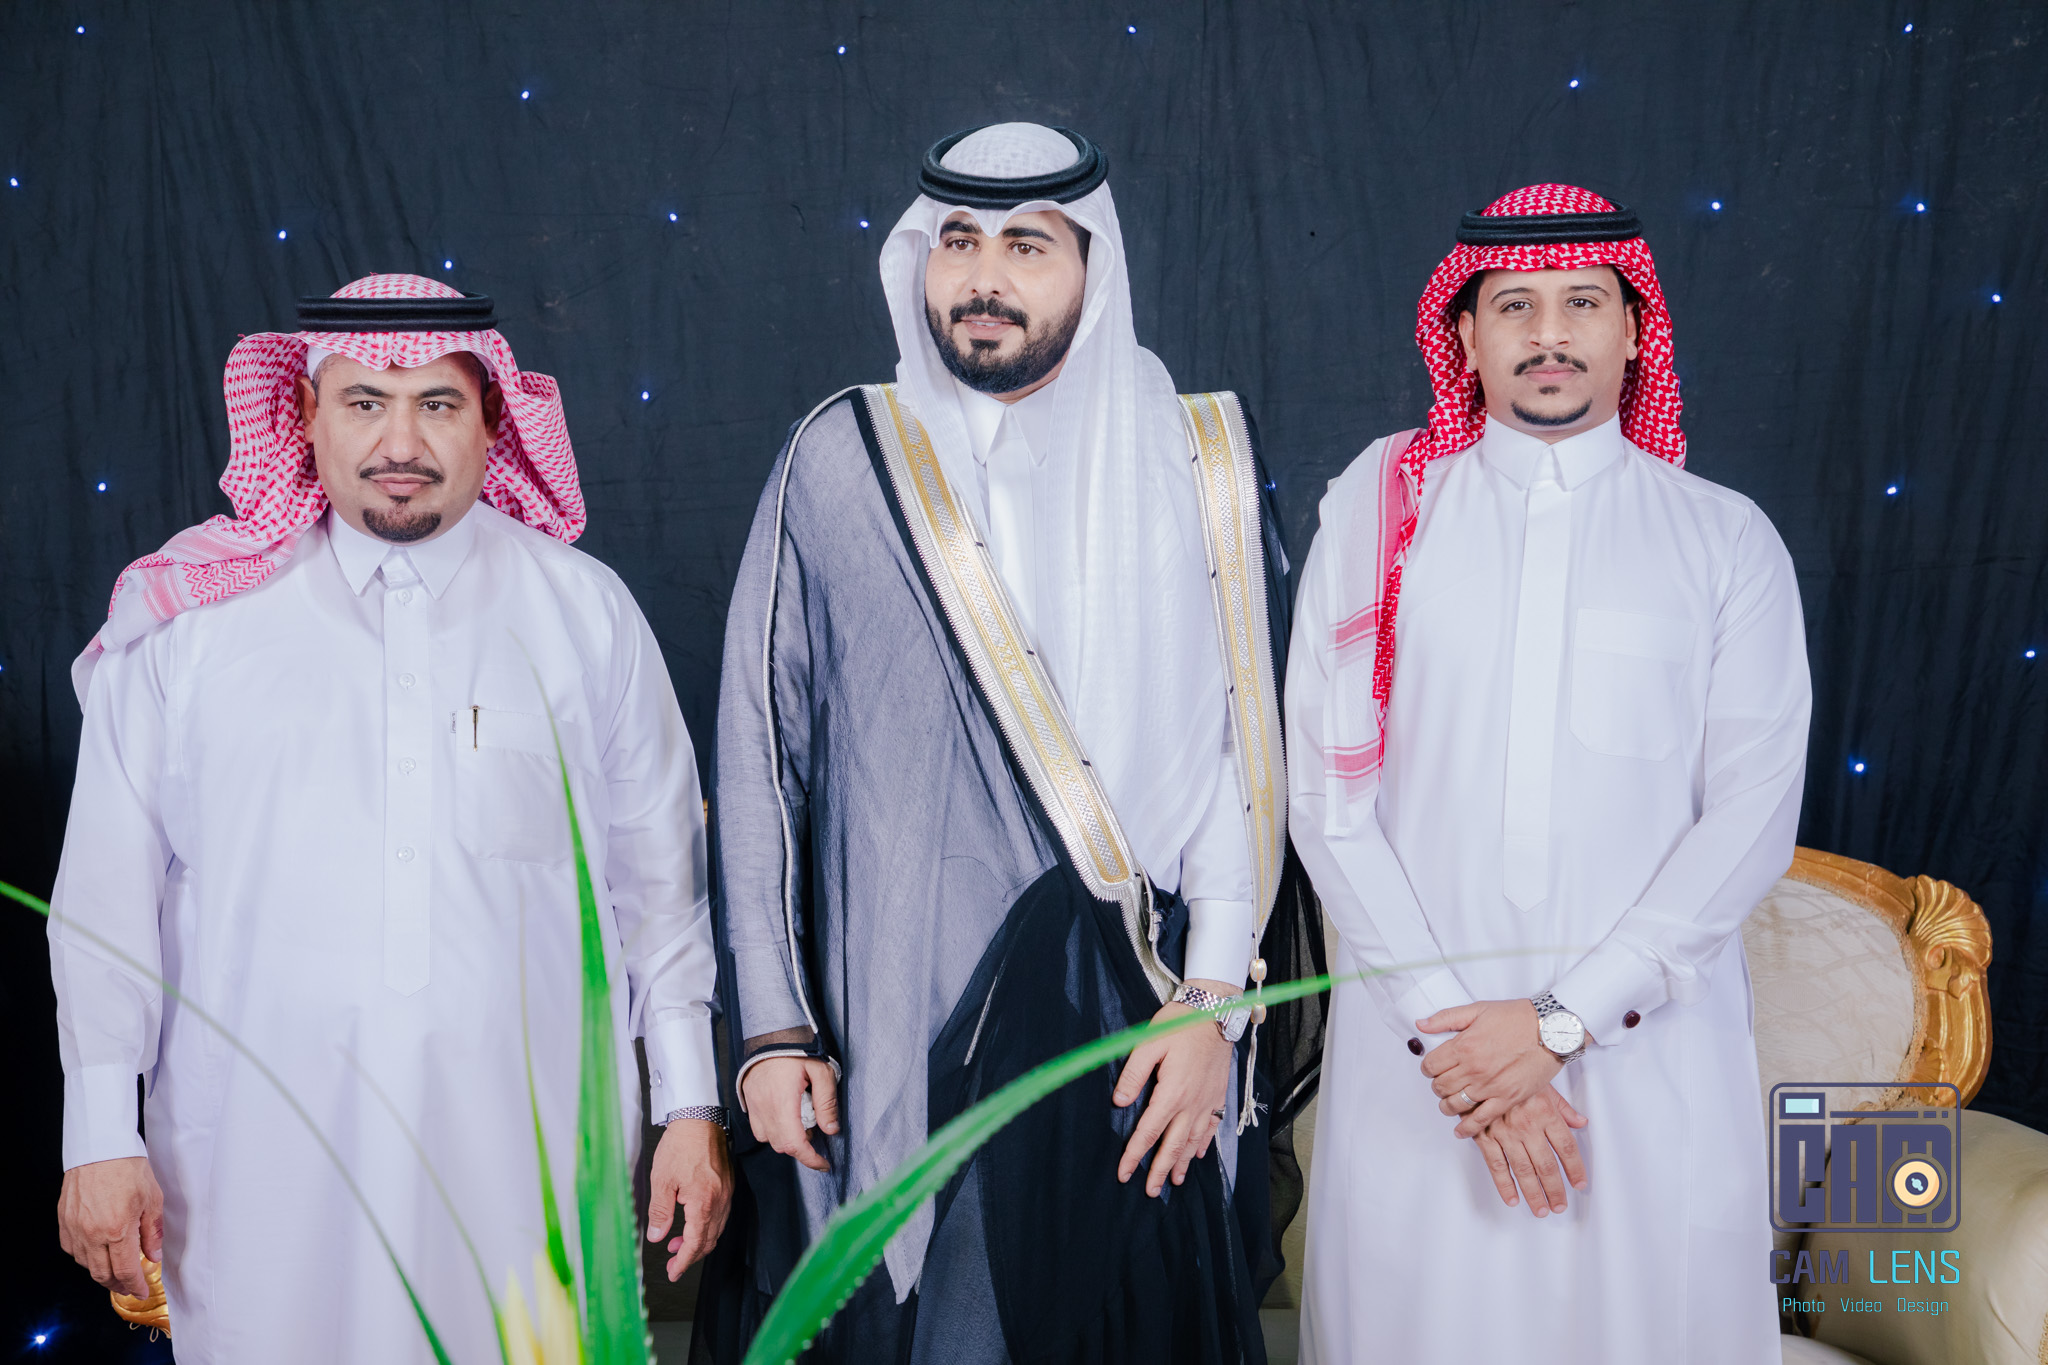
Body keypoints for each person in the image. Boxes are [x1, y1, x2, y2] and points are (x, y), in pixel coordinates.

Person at [696, 123, 1324, 1364]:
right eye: (956, 243)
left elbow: (1234, 763)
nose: (982, 278)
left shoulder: (1193, 457)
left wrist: (1213, 1010)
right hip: (891, 1022)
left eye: (1026, 246)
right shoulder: (843, 456)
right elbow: (762, 756)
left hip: (1140, 1016)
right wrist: (773, 1032)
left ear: (1093, 267)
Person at [48, 274, 731, 1362]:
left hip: (527, 1176)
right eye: (364, 401)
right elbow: (103, 904)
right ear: (304, 413)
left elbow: (662, 888)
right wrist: (98, 1134)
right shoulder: (187, 631)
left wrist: (689, 1108)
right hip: (251, 1174)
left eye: (437, 404)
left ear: (493, 418)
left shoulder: (584, 612)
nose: (399, 442)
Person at [1286, 185, 1807, 1362]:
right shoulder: (1378, 516)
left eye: (1582, 302)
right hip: (1423, 1064)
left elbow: (1748, 819)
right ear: (1463, 337)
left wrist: (1562, 1023)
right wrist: (1463, 1049)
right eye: (1513, 306)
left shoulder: (1724, 539)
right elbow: (1325, 803)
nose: (1549, 334)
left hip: (1646, 1056)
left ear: (1634, 331)